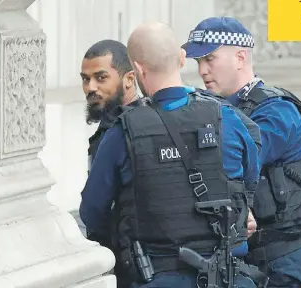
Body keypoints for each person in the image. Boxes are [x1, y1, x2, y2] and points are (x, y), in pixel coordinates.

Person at [80, 21, 266, 288]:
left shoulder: (123, 133)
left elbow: (92, 213)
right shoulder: (228, 118)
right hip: (228, 278)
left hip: (158, 276)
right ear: (181, 58)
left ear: (138, 69)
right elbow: (249, 180)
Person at [182, 16, 301, 288]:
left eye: (209, 59)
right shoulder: (216, 111)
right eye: (198, 62)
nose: (202, 71)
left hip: (286, 265)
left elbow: (235, 159)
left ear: (239, 57)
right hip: (245, 264)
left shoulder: (277, 111)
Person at [81, 40, 146, 172]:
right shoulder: (111, 126)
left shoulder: (132, 130)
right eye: (86, 79)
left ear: (129, 79)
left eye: (101, 77)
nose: (90, 88)